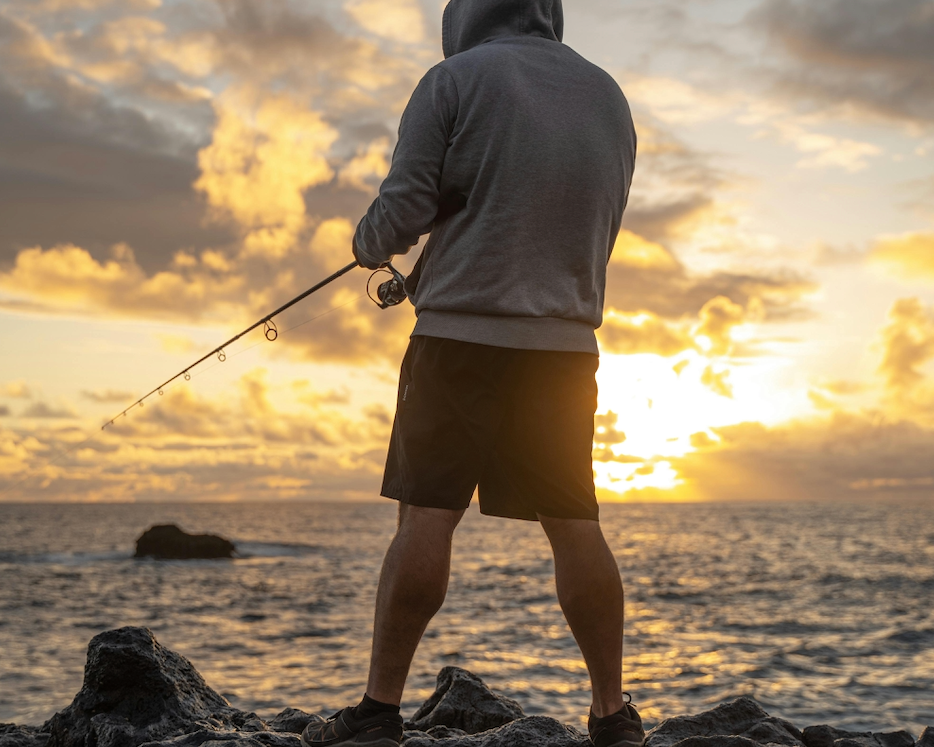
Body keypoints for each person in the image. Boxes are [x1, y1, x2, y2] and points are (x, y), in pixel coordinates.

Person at [300, 0, 638, 745]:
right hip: (565, 350)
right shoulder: (608, 97)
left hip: (457, 346)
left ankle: (378, 712)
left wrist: (369, 244)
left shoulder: (453, 81)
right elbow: (572, 225)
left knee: (426, 516)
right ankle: (613, 714)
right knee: (576, 525)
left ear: (468, 15)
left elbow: (404, 208)